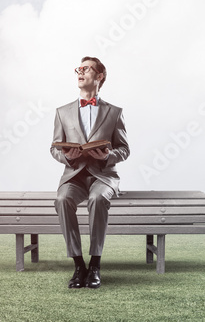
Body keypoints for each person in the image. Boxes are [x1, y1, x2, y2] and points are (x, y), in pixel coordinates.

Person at [50, 56, 129, 289]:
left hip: (104, 176)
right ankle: (78, 265)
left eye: (86, 69)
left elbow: (124, 149)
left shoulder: (114, 112)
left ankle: (95, 264)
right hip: (74, 175)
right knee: (62, 199)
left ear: (99, 76)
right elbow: (54, 147)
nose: (80, 72)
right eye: (78, 69)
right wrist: (66, 156)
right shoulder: (62, 112)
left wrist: (107, 156)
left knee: (97, 198)